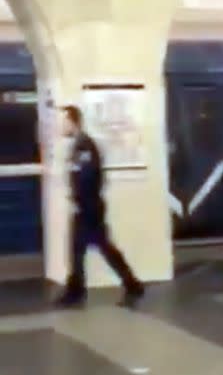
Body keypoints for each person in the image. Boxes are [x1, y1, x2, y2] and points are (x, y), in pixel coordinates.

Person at [54, 105, 145, 308]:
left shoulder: (85, 146)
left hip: (88, 209)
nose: (60, 125)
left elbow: (88, 178)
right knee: (81, 250)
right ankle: (79, 290)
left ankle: (131, 285)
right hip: (85, 207)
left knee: (100, 248)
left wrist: (80, 203)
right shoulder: (78, 145)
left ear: (72, 121)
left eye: (63, 121)